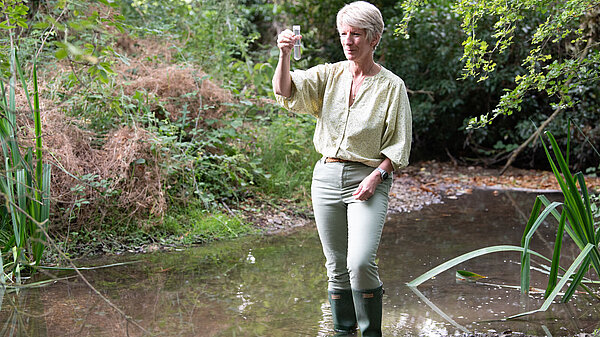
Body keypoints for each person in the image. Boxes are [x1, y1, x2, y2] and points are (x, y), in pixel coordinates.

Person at [272, 1, 412, 336]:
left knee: (360, 262)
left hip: (368, 181)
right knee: (336, 266)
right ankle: (343, 331)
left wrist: (376, 176)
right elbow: (284, 90)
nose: (348, 41)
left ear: (374, 38)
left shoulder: (392, 86)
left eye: (357, 34)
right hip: (325, 178)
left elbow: (399, 146)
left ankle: (371, 333)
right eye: (344, 34)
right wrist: (284, 55)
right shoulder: (328, 74)